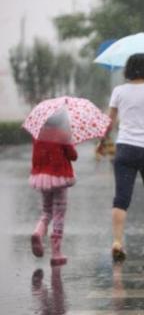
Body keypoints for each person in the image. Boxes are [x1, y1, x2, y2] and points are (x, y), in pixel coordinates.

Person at [97, 53, 144, 262]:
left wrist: (101, 142)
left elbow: (108, 122)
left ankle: (118, 241)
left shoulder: (119, 91)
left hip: (125, 148)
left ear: (128, 70)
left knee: (121, 197)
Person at [30, 110, 77, 266]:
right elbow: (73, 156)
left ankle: (38, 232)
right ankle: (56, 253)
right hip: (59, 180)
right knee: (59, 214)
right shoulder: (63, 135)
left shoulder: (38, 136)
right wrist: (70, 140)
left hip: (43, 179)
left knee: (46, 211)